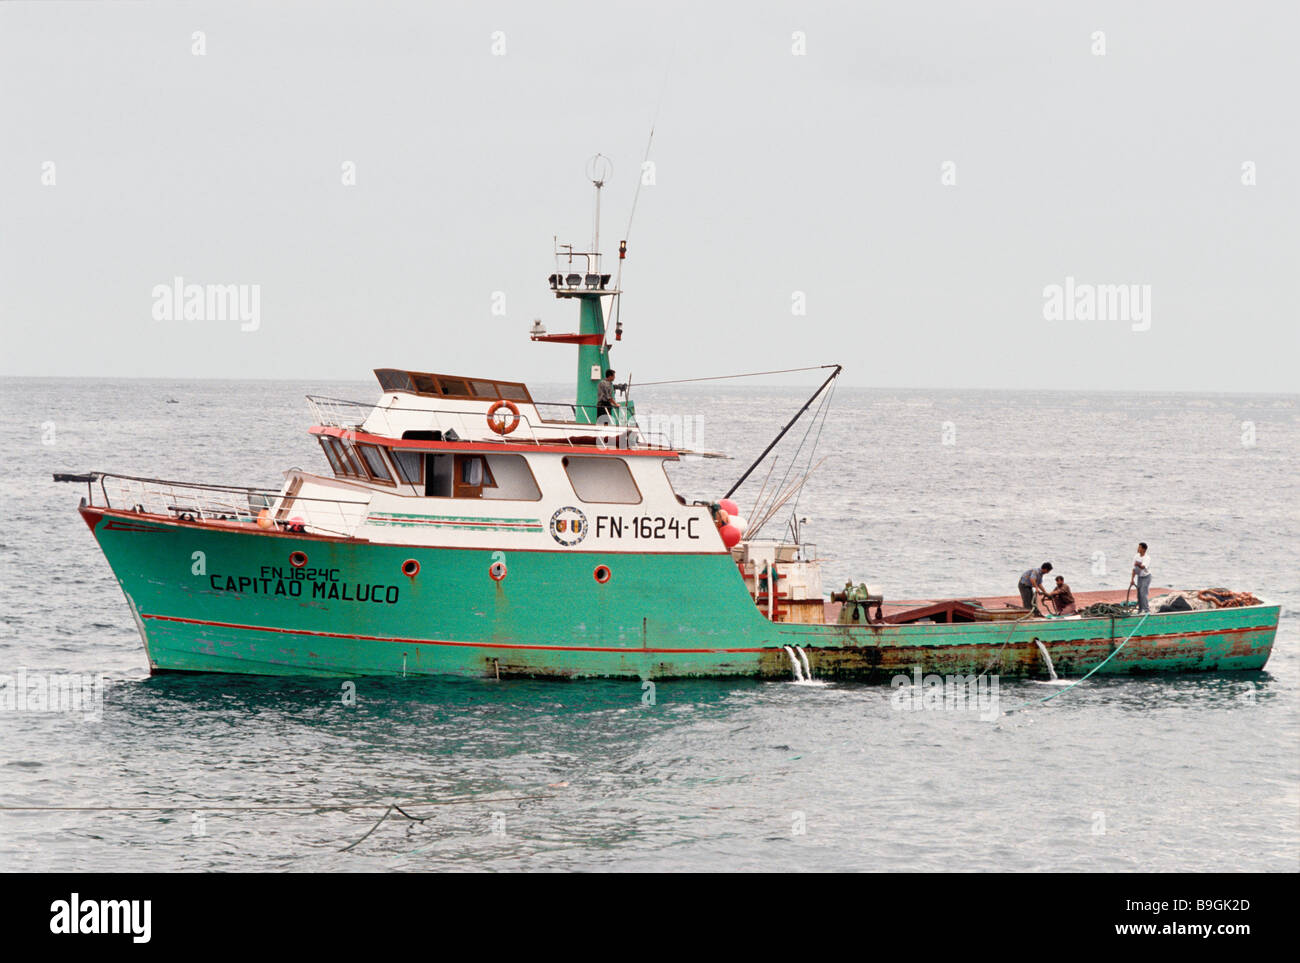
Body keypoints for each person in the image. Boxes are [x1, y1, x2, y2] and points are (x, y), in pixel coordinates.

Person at [1130, 542, 1152, 613]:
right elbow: (1134, 569)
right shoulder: (1136, 556)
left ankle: (1146, 610)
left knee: (1143, 593)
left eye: (1139, 547)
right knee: (1139, 593)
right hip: (1139, 576)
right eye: (1138, 547)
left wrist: (1138, 564)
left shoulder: (1147, 558)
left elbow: (1143, 567)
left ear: (1144, 549)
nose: (1138, 549)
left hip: (1146, 577)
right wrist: (1132, 580)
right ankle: (1140, 609)